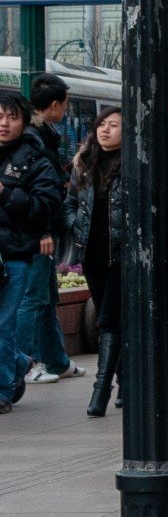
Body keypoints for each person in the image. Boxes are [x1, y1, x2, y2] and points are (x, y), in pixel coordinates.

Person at [0, 90, 63, 413]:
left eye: (11, 117)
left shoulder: (36, 160)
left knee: (3, 324)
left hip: (13, 257)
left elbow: (45, 207)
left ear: (23, 121)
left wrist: (5, 194)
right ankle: (21, 361)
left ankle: (3, 391)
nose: (4, 123)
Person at [19, 74, 78, 385]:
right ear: (54, 105)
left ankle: (56, 359)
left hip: (44, 230)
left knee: (47, 298)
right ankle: (24, 363)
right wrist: (43, 230)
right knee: (33, 299)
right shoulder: (35, 139)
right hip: (36, 233)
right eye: (65, 105)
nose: (66, 110)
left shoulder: (42, 134)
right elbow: (39, 190)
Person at [67, 109, 123, 418]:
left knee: (108, 320)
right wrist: (75, 221)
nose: (105, 130)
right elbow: (69, 204)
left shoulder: (134, 165)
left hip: (122, 255)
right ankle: (126, 381)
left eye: (114, 125)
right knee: (109, 317)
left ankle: (101, 390)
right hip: (92, 255)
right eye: (102, 124)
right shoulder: (83, 164)